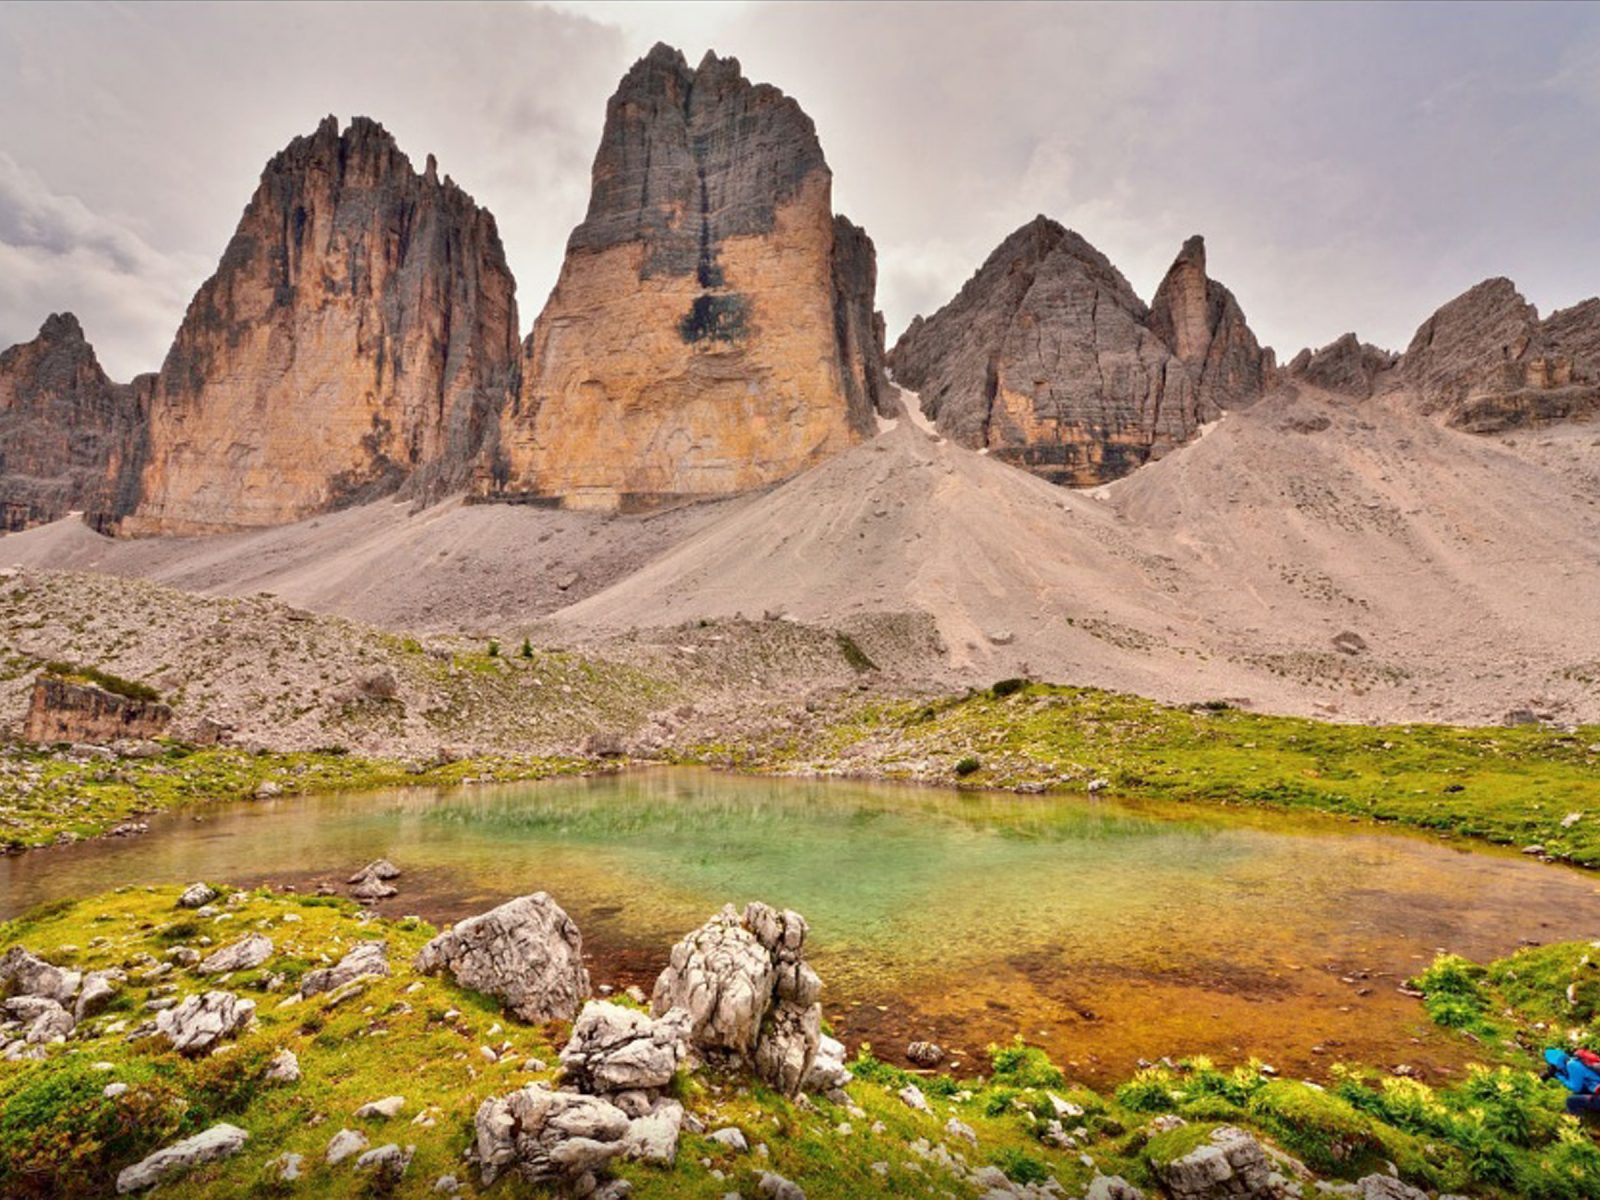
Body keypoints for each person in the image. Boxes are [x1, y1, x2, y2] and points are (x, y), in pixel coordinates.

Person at [1543, 1048, 1600, 1116]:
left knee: (1571, 1101)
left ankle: (1576, 1124)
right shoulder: (1575, 1060)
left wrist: (1559, 1077)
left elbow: (1576, 1088)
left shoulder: (1572, 1065)